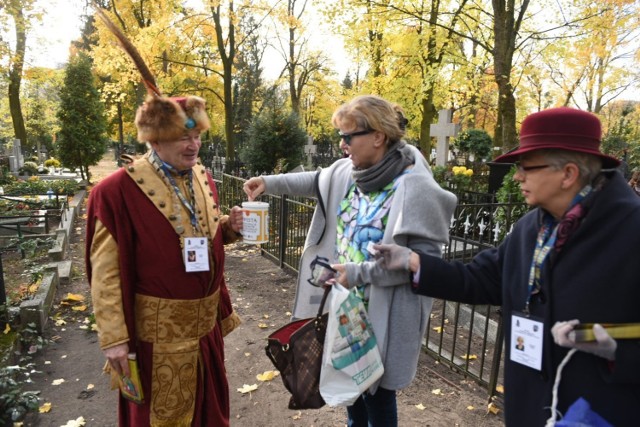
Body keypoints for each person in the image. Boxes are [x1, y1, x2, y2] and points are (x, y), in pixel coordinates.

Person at [373, 107, 640, 426]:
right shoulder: (532, 227)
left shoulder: (631, 231)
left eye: (526, 167)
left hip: (599, 412)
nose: (517, 176)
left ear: (568, 174)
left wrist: (616, 350)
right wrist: (414, 262)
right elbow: (481, 279)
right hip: (529, 406)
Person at [243, 95, 456, 426]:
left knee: (379, 397)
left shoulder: (415, 188)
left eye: (347, 137)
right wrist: (268, 183)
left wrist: (358, 273)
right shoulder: (351, 173)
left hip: (382, 312)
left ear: (378, 137)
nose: (342, 146)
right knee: (351, 391)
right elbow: (316, 179)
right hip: (346, 307)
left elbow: (422, 265)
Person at [87, 11, 243, 425]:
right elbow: (104, 275)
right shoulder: (114, 192)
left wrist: (227, 229)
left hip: (204, 331)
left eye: (196, 136)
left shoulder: (201, 176)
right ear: (156, 138)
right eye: (182, 137)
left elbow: (195, 235)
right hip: (155, 341)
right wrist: (115, 341)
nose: (193, 145)